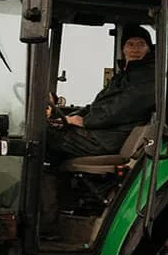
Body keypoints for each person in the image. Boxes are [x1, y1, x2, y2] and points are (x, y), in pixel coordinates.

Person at [45, 24, 157, 164]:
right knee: (49, 133)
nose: (135, 49)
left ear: (148, 48)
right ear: (123, 49)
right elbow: (97, 105)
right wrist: (69, 118)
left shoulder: (147, 78)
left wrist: (84, 121)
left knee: (41, 135)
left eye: (141, 44)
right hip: (104, 134)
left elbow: (120, 109)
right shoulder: (124, 76)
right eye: (130, 44)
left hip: (109, 140)